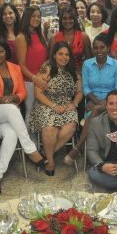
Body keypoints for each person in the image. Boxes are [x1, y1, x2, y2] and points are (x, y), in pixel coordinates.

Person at [0, 40, 47, 196]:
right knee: (12, 108)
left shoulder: (15, 68)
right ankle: (30, 149)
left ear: (6, 52)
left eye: (1, 51)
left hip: (8, 114)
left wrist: (14, 98)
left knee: (12, 134)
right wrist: (4, 101)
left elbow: (22, 92)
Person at [29, 41, 83, 176]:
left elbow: (79, 92)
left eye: (67, 54)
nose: (64, 57)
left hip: (66, 105)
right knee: (50, 128)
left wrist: (74, 103)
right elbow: (38, 93)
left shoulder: (73, 72)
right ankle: (51, 162)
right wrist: (53, 106)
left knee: (70, 127)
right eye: (60, 54)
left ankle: (44, 155)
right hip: (46, 104)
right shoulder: (46, 70)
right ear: (54, 55)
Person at [70, 34, 117, 164]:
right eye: (96, 48)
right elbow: (85, 87)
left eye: (102, 47)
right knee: (95, 110)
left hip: (113, 103)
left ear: (108, 48)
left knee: (95, 111)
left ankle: (77, 147)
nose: (99, 50)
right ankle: (86, 149)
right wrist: (96, 102)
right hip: (92, 102)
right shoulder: (87, 64)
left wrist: (103, 103)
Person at [15, 7, 49, 125]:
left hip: (42, 80)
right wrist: (35, 79)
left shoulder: (40, 34)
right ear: (27, 17)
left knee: (41, 112)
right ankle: (28, 137)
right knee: (30, 112)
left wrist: (45, 63)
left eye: (39, 16)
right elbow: (21, 65)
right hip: (29, 82)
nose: (36, 19)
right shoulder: (21, 37)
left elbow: (44, 57)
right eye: (33, 16)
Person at [51, 6, 91, 71]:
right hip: (59, 73)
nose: (68, 21)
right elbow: (51, 60)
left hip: (79, 72)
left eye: (71, 18)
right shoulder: (54, 38)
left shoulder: (84, 36)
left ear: (75, 19)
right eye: (64, 18)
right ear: (61, 20)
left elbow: (88, 59)